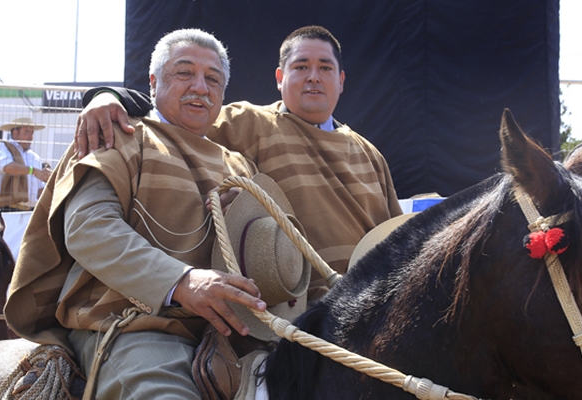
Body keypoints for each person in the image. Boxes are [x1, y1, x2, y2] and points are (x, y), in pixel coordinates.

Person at [3, 29, 274, 399]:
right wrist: (181, 282)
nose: (200, 86)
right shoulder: (124, 136)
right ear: (153, 81)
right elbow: (88, 229)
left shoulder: (239, 166)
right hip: (133, 329)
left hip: (231, 337)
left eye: (213, 79)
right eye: (184, 72)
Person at [76, 25, 403, 300]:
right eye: (301, 66)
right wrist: (108, 97)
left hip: (375, 299)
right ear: (279, 77)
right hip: (300, 305)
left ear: (342, 80)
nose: (313, 77)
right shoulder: (249, 123)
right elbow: (177, 114)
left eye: (325, 68)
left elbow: (396, 238)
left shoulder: (370, 154)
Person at [0, 117, 52, 213]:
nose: (31, 137)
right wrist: (34, 171)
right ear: (15, 133)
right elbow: (8, 167)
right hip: (6, 209)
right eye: (27, 132)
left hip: (30, 211)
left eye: (32, 133)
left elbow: (39, 188)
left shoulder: (34, 157)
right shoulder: (1, 148)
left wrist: (50, 180)